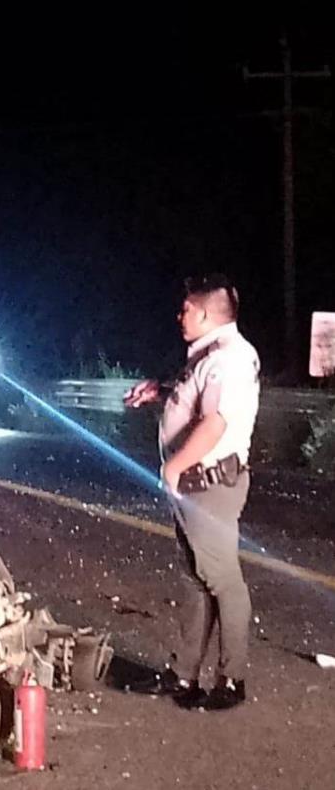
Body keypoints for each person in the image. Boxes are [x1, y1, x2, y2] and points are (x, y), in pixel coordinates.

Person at [125, 274, 260, 711]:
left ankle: (231, 679)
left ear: (204, 313)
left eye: (185, 309)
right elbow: (196, 396)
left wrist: (175, 465)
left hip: (210, 483)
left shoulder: (230, 359)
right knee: (195, 579)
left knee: (222, 581)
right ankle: (184, 675)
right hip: (197, 485)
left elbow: (216, 420)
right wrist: (159, 391)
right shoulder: (210, 355)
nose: (179, 315)